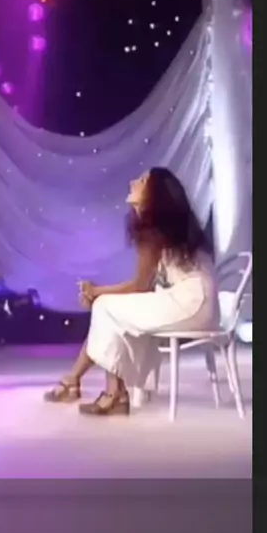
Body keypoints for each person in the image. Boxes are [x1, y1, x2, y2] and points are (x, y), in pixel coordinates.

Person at [44, 167, 219, 416]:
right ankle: (104, 390)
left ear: (155, 194)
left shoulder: (153, 230)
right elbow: (144, 287)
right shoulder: (167, 227)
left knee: (106, 307)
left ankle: (110, 393)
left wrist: (97, 292)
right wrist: (99, 293)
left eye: (142, 180)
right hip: (198, 303)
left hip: (190, 302)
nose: (133, 182)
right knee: (110, 311)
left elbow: (140, 286)